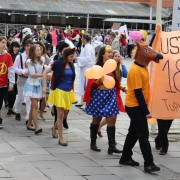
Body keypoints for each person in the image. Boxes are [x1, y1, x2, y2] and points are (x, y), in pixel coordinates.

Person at [119, 41, 161, 173]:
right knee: (143, 134)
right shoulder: (136, 70)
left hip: (136, 105)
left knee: (133, 133)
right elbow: (138, 93)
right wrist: (145, 111)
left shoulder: (142, 67)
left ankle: (125, 157)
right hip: (135, 106)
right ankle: (148, 163)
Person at [84, 45, 122, 155]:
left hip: (110, 95)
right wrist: (98, 82)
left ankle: (111, 146)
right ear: (102, 54)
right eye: (108, 52)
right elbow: (91, 86)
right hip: (98, 96)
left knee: (112, 119)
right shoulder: (96, 68)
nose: (111, 54)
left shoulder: (112, 67)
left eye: (111, 52)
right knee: (96, 120)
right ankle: (93, 142)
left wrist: (123, 88)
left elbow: (116, 82)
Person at [43, 48, 76, 146]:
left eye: (73, 56)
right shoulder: (57, 63)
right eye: (71, 56)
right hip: (59, 91)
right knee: (60, 115)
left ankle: (54, 128)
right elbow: (45, 73)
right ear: (66, 56)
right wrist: (45, 86)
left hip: (68, 91)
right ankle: (61, 138)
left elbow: (72, 78)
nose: (72, 58)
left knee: (65, 114)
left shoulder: (71, 65)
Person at [98, 50, 127, 139]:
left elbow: (125, 74)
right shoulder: (110, 68)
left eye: (119, 56)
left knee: (113, 115)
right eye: (115, 56)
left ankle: (99, 128)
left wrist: (122, 63)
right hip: (110, 91)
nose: (117, 58)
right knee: (111, 114)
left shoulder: (117, 67)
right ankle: (100, 128)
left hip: (116, 91)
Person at [23, 44, 44, 134]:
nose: (39, 52)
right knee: (35, 106)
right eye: (37, 50)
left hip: (38, 84)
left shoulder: (41, 60)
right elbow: (33, 74)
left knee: (33, 106)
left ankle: (29, 124)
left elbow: (43, 70)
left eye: (40, 50)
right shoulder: (29, 61)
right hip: (31, 84)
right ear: (33, 52)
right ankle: (36, 127)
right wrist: (45, 75)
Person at [14, 40, 33, 123]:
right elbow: (14, 68)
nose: (29, 47)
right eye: (27, 46)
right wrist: (22, 71)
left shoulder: (34, 57)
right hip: (21, 78)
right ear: (25, 47)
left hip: (31, 79)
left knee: (29, 99)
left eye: (30, 46)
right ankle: (17, 111)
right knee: (20, 97)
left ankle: (28, 117)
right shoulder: (20, 56)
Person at [74, 34, 95, 108]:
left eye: (82, 38)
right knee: (83, 84)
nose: (81, 39)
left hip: (87, 68)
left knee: (85, 84)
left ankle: (86, 101)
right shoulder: (87, 47)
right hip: (85, 67)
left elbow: (88, 58)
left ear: (85, 39)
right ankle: (82, 100)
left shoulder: (88, 48)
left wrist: (77, 59)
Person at [0, 36, 15, 128]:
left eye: (5, 42)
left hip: (3, 84)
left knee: (0, 103)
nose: (4, 44)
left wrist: (11, 83)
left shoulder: (8, 55)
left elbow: (11, 70)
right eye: (2, 42)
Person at [7, 41, 20, 116]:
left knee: (14, 93)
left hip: (17, 76)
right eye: (15, 47)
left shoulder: (19, 55)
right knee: (10, 93)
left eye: (17, 47)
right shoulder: (9, 55)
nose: (16, 48)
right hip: (9, 76)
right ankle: (9, 107)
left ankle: (10, 108)